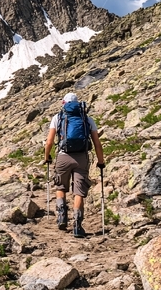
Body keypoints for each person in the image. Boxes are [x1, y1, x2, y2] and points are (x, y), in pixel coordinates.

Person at [44, 92, 105, 238]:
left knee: (60, 186)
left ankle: (61, 217)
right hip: (82, 158)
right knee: (79, 191)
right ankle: (77, 226)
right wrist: (100, 161)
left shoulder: (57, 117)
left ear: (64, 104)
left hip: (63, 156)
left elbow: (49, 142)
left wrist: (47, 157)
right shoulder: (87, 119)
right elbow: (97, 144)